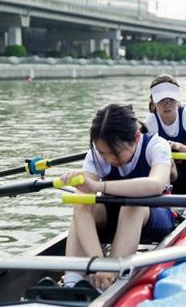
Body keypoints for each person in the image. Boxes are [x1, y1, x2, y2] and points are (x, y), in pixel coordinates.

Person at [59, 104, 173, 291]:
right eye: (103, 153)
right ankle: (72, 281)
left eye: (115, 153)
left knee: (131, 207)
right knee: (82, 205)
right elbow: (81, 202)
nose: (109, 159)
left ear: (136, 137)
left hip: (154, 215)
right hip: (114, 218)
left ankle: (109, 279)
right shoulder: (96, 155)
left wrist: (98, 186)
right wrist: (98, 262)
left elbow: (156, 184)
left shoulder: (156, 145)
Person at [143, 74, 186, 195]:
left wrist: (178, 146)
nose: (167, 104)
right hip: (170, 173)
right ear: (153, 102)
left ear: (177, 100)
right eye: (161, 100)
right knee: (167, 161)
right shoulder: (150, 122)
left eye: (171, 99)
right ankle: (166, 202)